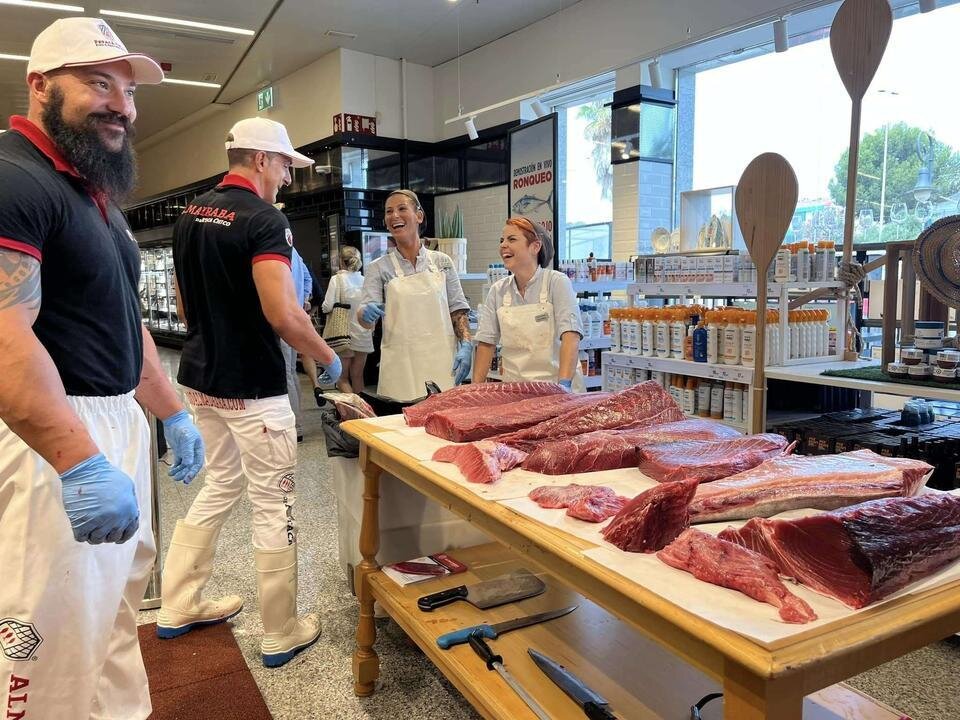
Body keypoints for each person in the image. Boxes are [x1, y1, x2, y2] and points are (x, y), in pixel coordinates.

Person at [0, 17, 205, 720]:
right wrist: (79, 461)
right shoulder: (13, 178)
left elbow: (128, 323)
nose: (122, 104)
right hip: (54, 437)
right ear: (39, 85)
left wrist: (171, 410)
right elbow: (4, 335)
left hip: (116, 418)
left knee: (116, 608)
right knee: (48, 632)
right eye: (98, 84)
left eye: (127, 89)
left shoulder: (98, 201)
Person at [159, 117, 341, 669]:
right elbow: (283, 313)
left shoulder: (191, 214)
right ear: (261, 159)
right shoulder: (265, 222)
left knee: (221, 485)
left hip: (202, 382)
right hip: (255, 389)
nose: (288, 177)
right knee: (274, 501)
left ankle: (178, 603)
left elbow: (185, 307)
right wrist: (327, 356)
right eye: (286, 164)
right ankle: (281, 630)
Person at [358, 189, 472, 401]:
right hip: (401, 367)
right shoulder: (378, 268)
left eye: (402, 209)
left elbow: (457, 310)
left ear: (419, 216)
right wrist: (365, 315)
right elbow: (366, 317)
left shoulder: (443, 262)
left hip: (442, 363)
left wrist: (466, 344)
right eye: (389, 211)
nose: (394, 216)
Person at [473, 217, 584, 390]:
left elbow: (571, 336)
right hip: (516, 392)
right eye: (502, 240)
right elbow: (486, 344)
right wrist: (474, 390)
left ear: (535, 247)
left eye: (512, 239)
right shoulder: (498, 291)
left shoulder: (556, 282)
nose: (503, 245)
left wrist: (564, 385)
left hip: (555, 389)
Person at [321, 246, 373, 393]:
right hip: (363, 334)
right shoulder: (365, 280)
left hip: (343, 335)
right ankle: (364, 411)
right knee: (358, 376)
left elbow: (327, 306)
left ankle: (353, 410)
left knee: (342, 378)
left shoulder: (336, 279)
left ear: (341, 262)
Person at [285, 246, 312, 440]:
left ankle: (294, 426)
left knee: (285, 373)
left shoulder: (272, 246)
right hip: (296, 319)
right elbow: (308, 279)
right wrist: (303, 300)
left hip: (281, 319)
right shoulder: (293, 250)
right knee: (291, 372)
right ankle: (297, 424)